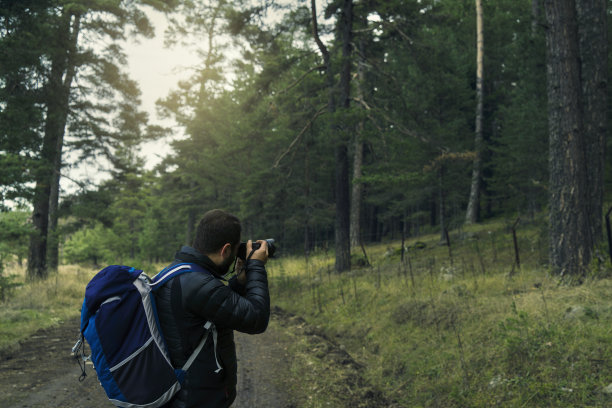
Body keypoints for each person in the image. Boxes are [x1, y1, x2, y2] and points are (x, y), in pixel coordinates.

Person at [155, 209, 270, 407]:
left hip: (184, 393)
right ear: (225, 250)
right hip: (198, 399)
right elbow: (256, 318)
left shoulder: (179, 272)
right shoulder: (198, 284)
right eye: (234, 252)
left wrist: (239, 282)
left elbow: (212, 308)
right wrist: (257, 266)